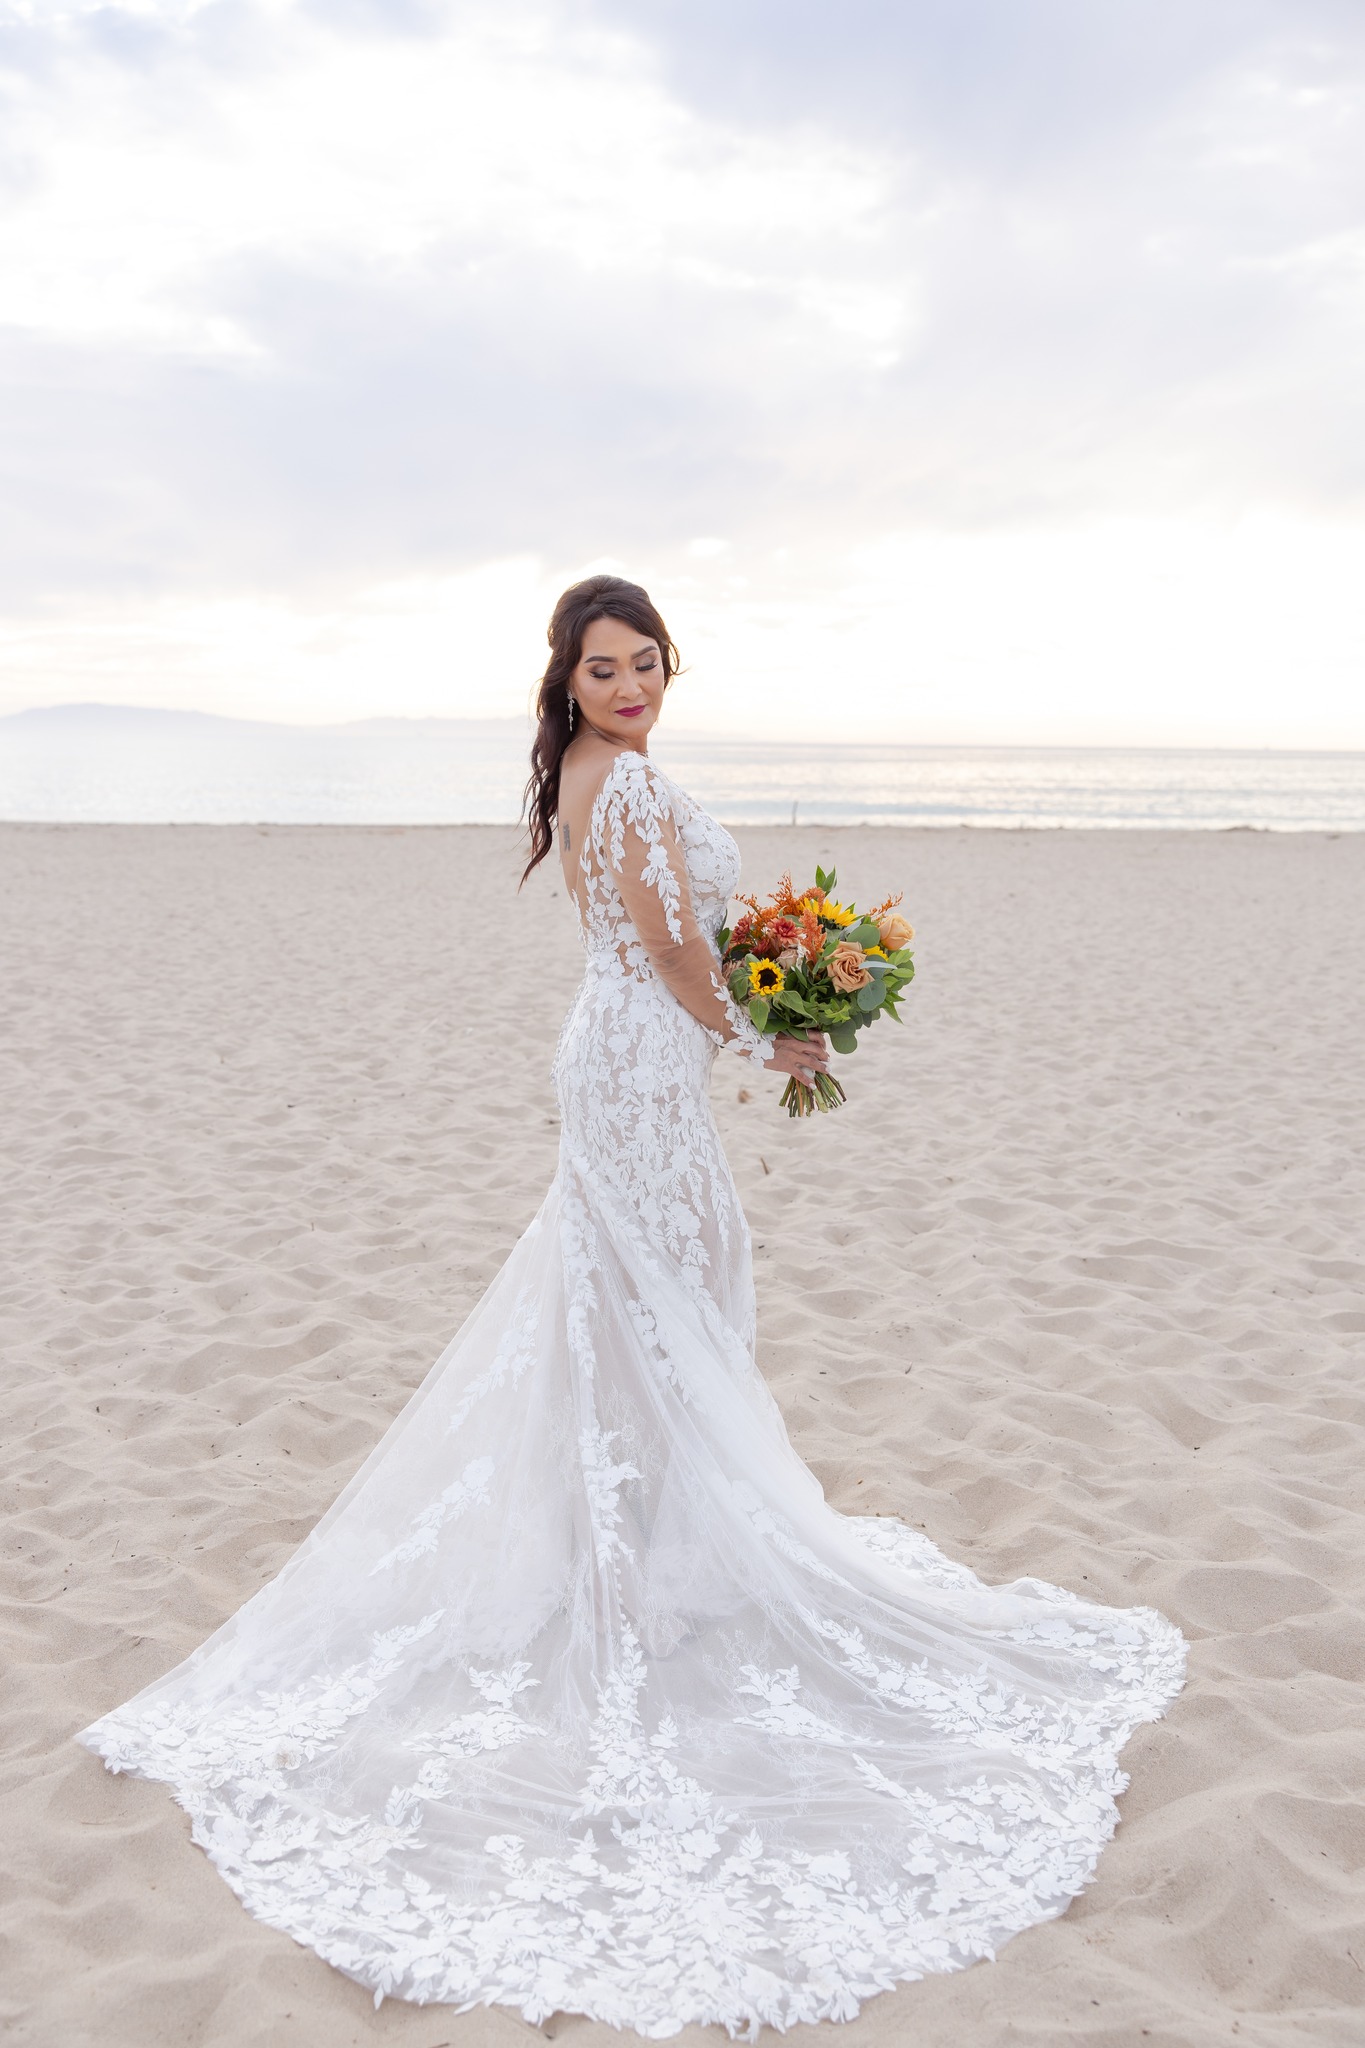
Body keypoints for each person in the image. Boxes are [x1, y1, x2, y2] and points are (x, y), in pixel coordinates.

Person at [79, 575, 1186, 2037]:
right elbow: (669, 952)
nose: (629, 685)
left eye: (646, 662)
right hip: (639, 1060)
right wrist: (771, 1037)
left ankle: (646, 1542)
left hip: (625, 1058)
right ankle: (648, 1562)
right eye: (603, 668)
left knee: (649, 1299)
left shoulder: (590, 778)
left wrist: (756, 994)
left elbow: (658, 944)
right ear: (569, 680)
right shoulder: (627, 783)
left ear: (669, 667)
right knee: (671, 1297)